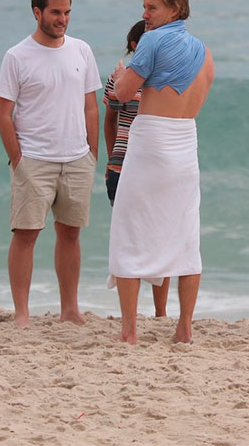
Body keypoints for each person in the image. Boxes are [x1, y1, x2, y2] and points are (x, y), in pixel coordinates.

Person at [107, 0, 215, 344]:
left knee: (130, 231)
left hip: (151, 141)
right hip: (187, 142)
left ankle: (129, 332)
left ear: (174, 8)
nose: (145, 14)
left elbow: (122, 94)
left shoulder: (153, 41)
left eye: (151, 7)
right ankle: (183, 327)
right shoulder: (204, 51)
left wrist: (123, 72)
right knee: (185, 234)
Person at [0, 0, 100, 328]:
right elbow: (3, 112)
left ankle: (69, 308)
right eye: (56, 12)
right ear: (37, 12)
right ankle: (22, 313)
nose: (63, 19)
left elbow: (90, 106)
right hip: (34, 160)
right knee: (26, 234)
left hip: (76, 157)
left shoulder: (82, 50)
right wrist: (17, 159)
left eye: (67, 12)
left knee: (71, 233)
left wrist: (92, 152)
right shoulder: (17, 56)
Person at [103, 20, 170, 318]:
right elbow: (109, 120)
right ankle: (130, 313)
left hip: (156, 166)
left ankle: (160, 312)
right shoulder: (118, 79)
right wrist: (110, 157)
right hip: (122, 164)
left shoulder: (165, 80)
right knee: (129, 238)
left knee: (161, 237)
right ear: (134, 46)